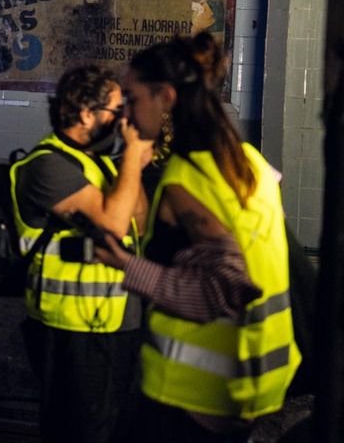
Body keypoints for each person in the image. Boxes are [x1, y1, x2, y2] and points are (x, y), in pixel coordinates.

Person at [95, 34, 301, 442]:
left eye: (133, 99)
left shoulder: (188, 181)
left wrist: (127, 266)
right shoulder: (249, 164)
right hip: (254, 380)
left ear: (166, 97)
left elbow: (222, 288)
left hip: (192, 396)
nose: (127, 115)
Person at [9, 64, 153, 443]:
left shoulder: (101, 164)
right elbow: (112, 225)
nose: (124, 121)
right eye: (117, 112)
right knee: (79, 431)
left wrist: (131, 165)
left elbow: (138, 221)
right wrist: (133, 158)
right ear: (86, 113)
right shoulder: (47, 165)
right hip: (73, 330)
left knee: (117, 428)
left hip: (116, 320)